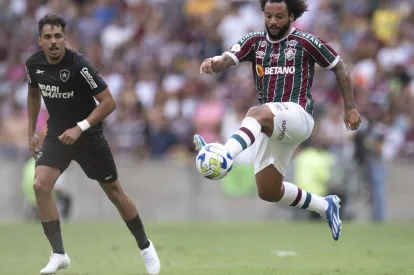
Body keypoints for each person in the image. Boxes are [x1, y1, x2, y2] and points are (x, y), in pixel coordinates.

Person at [195, 0, 361, 241]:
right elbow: (227, 59)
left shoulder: (305, 42)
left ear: (291, 16)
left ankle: (224, 154)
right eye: (269, 15)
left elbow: (340, 67)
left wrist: (350, 108)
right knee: (268, 190)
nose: (273, 21)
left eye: (279, 16)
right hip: (272, 124)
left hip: (299, 115)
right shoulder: (254, 41)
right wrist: (214, 63)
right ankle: (325, 206)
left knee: (255, 112)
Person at [25, 14, 160, 275]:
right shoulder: (34, 65)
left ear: (65, 39)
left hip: (88, 136)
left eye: (58, 37)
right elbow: (33, 94)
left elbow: (109, 102)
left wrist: (80, 127)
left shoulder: (79, 65)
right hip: (57, 134)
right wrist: (32, 131)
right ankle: (58, 254)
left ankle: (146, 247)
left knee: (115, 194)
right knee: (40, 185)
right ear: (40, 41)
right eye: (48, 37)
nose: (53, 42)